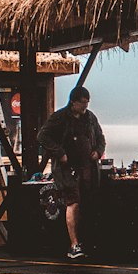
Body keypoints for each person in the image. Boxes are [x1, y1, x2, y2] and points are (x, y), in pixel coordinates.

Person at [38, 86, 106, 259]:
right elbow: (42, 136)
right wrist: (59, 153)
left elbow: (101, 137)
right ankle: (74, 244)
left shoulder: (90, 118)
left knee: (86, 203)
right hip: (67, 170)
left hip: (88, 168)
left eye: (87, 103)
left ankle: (86, 242)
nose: (85, 106)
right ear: (73, 102)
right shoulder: (59, 117)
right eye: (82, 103)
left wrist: (97, 151)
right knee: (73, 202)